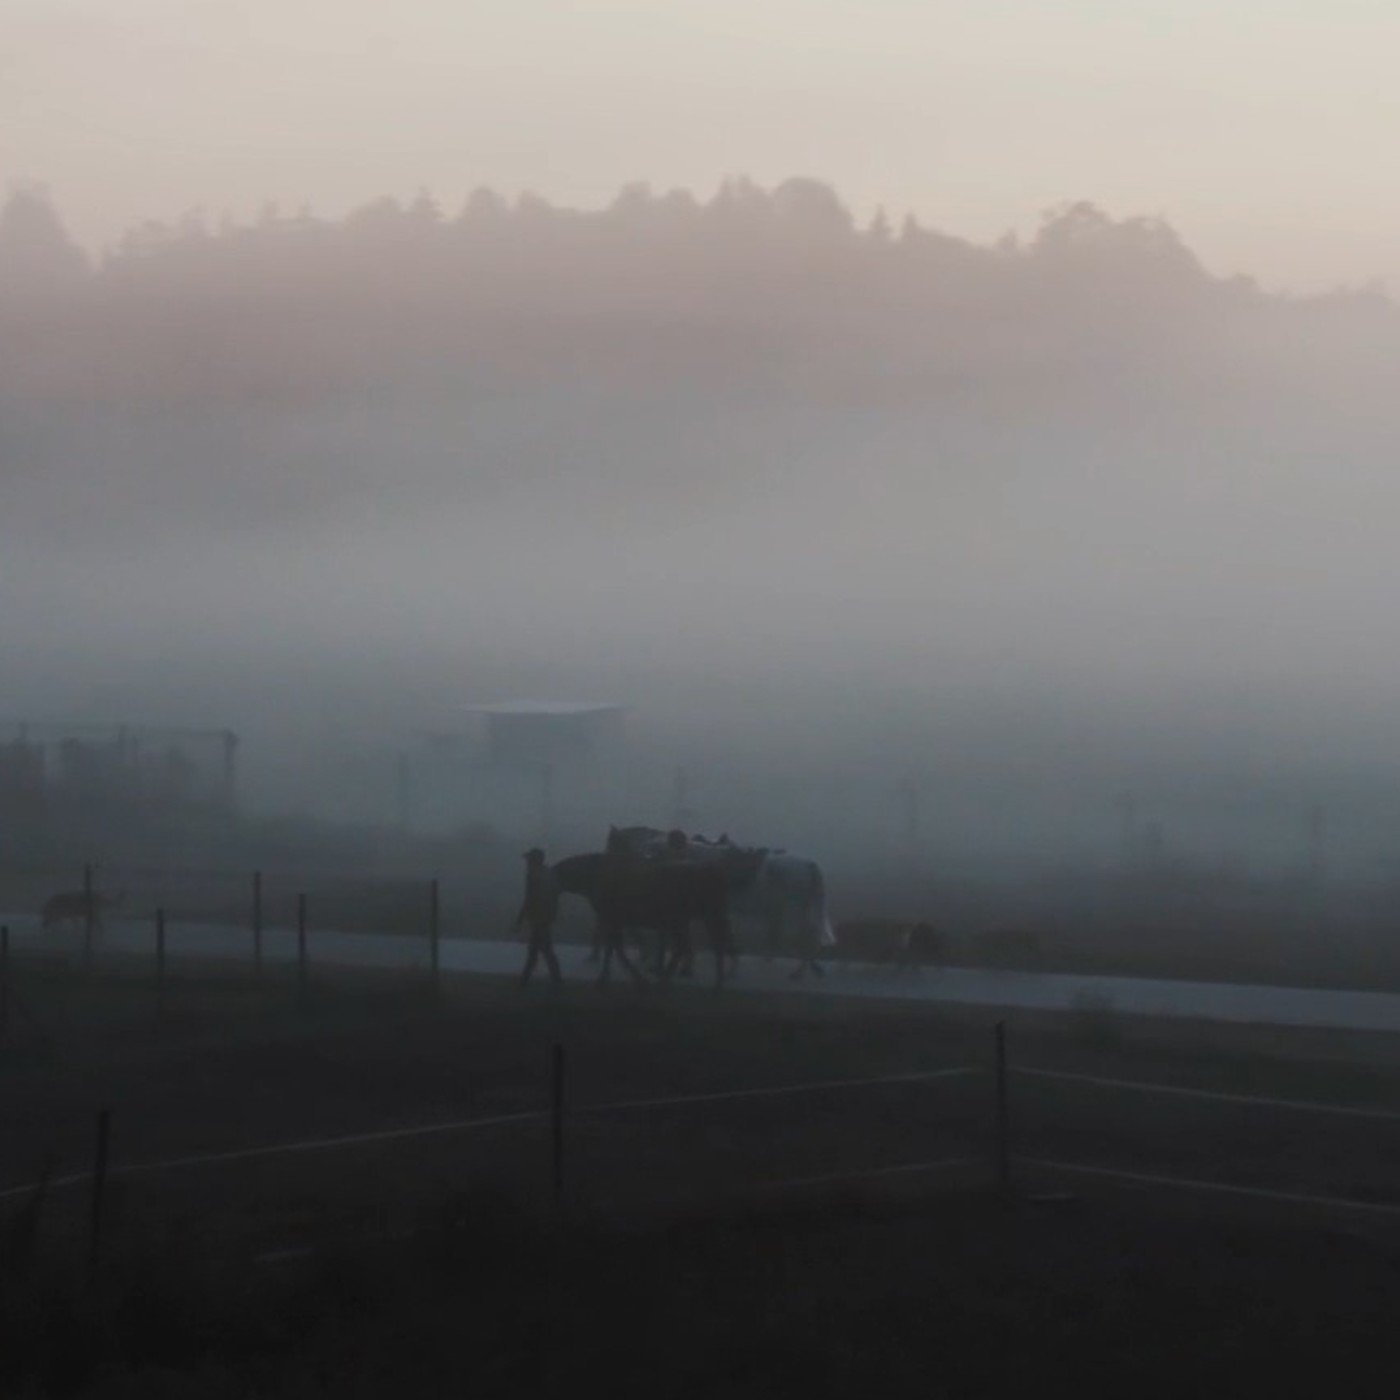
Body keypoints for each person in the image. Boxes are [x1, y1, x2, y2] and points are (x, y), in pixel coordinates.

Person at [514, 848, 562, 987]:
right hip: (544, 918)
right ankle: (526, 980)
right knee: (540, 951)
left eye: (529, 860)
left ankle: (527, 981)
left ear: (533, 861)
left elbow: (529, 899)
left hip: (538, 918)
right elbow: (554, 897)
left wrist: (519, 919)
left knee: (542, 951)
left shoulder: (533, 875)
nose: (527, 862)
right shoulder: (548, 873)